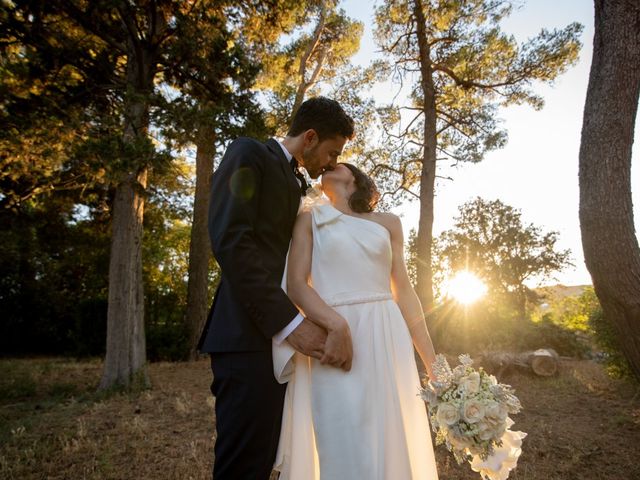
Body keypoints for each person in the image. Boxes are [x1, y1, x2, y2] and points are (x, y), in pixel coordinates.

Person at [198, 97, 355, 480]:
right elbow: (232, 242)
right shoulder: (248, 153)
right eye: (332, 152)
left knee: (267, 458)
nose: (332, 164)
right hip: (246, 337)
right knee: (242, 463)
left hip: (280, 347)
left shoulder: (300, 183)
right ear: (310, 137)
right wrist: (289, 324)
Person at [273, 163, 440, 479]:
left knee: (389, 434)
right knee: (340, 437)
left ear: (354, 177)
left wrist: (432, 363)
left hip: (386, 334)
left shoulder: (389, 223)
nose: (326, 166)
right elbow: (296, 284)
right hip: (333, 334)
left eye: (337, 162)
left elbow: (403, 290)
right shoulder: (309, 219)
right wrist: (334, 324)